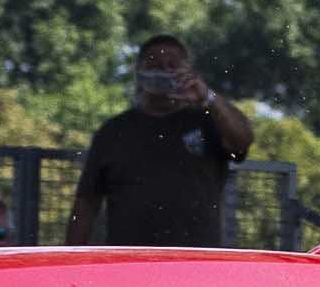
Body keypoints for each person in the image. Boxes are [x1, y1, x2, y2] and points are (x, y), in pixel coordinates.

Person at [70, 36, 262, 248]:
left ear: (187, 72)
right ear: (138, 71)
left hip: (196, 260)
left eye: (172, 65)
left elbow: (243, 140)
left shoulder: (207, 121)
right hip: (129, 260)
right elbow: (86, 203)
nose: (163, 69)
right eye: (154, 64)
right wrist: (70, 258)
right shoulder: (113, 131)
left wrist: (207, 97)